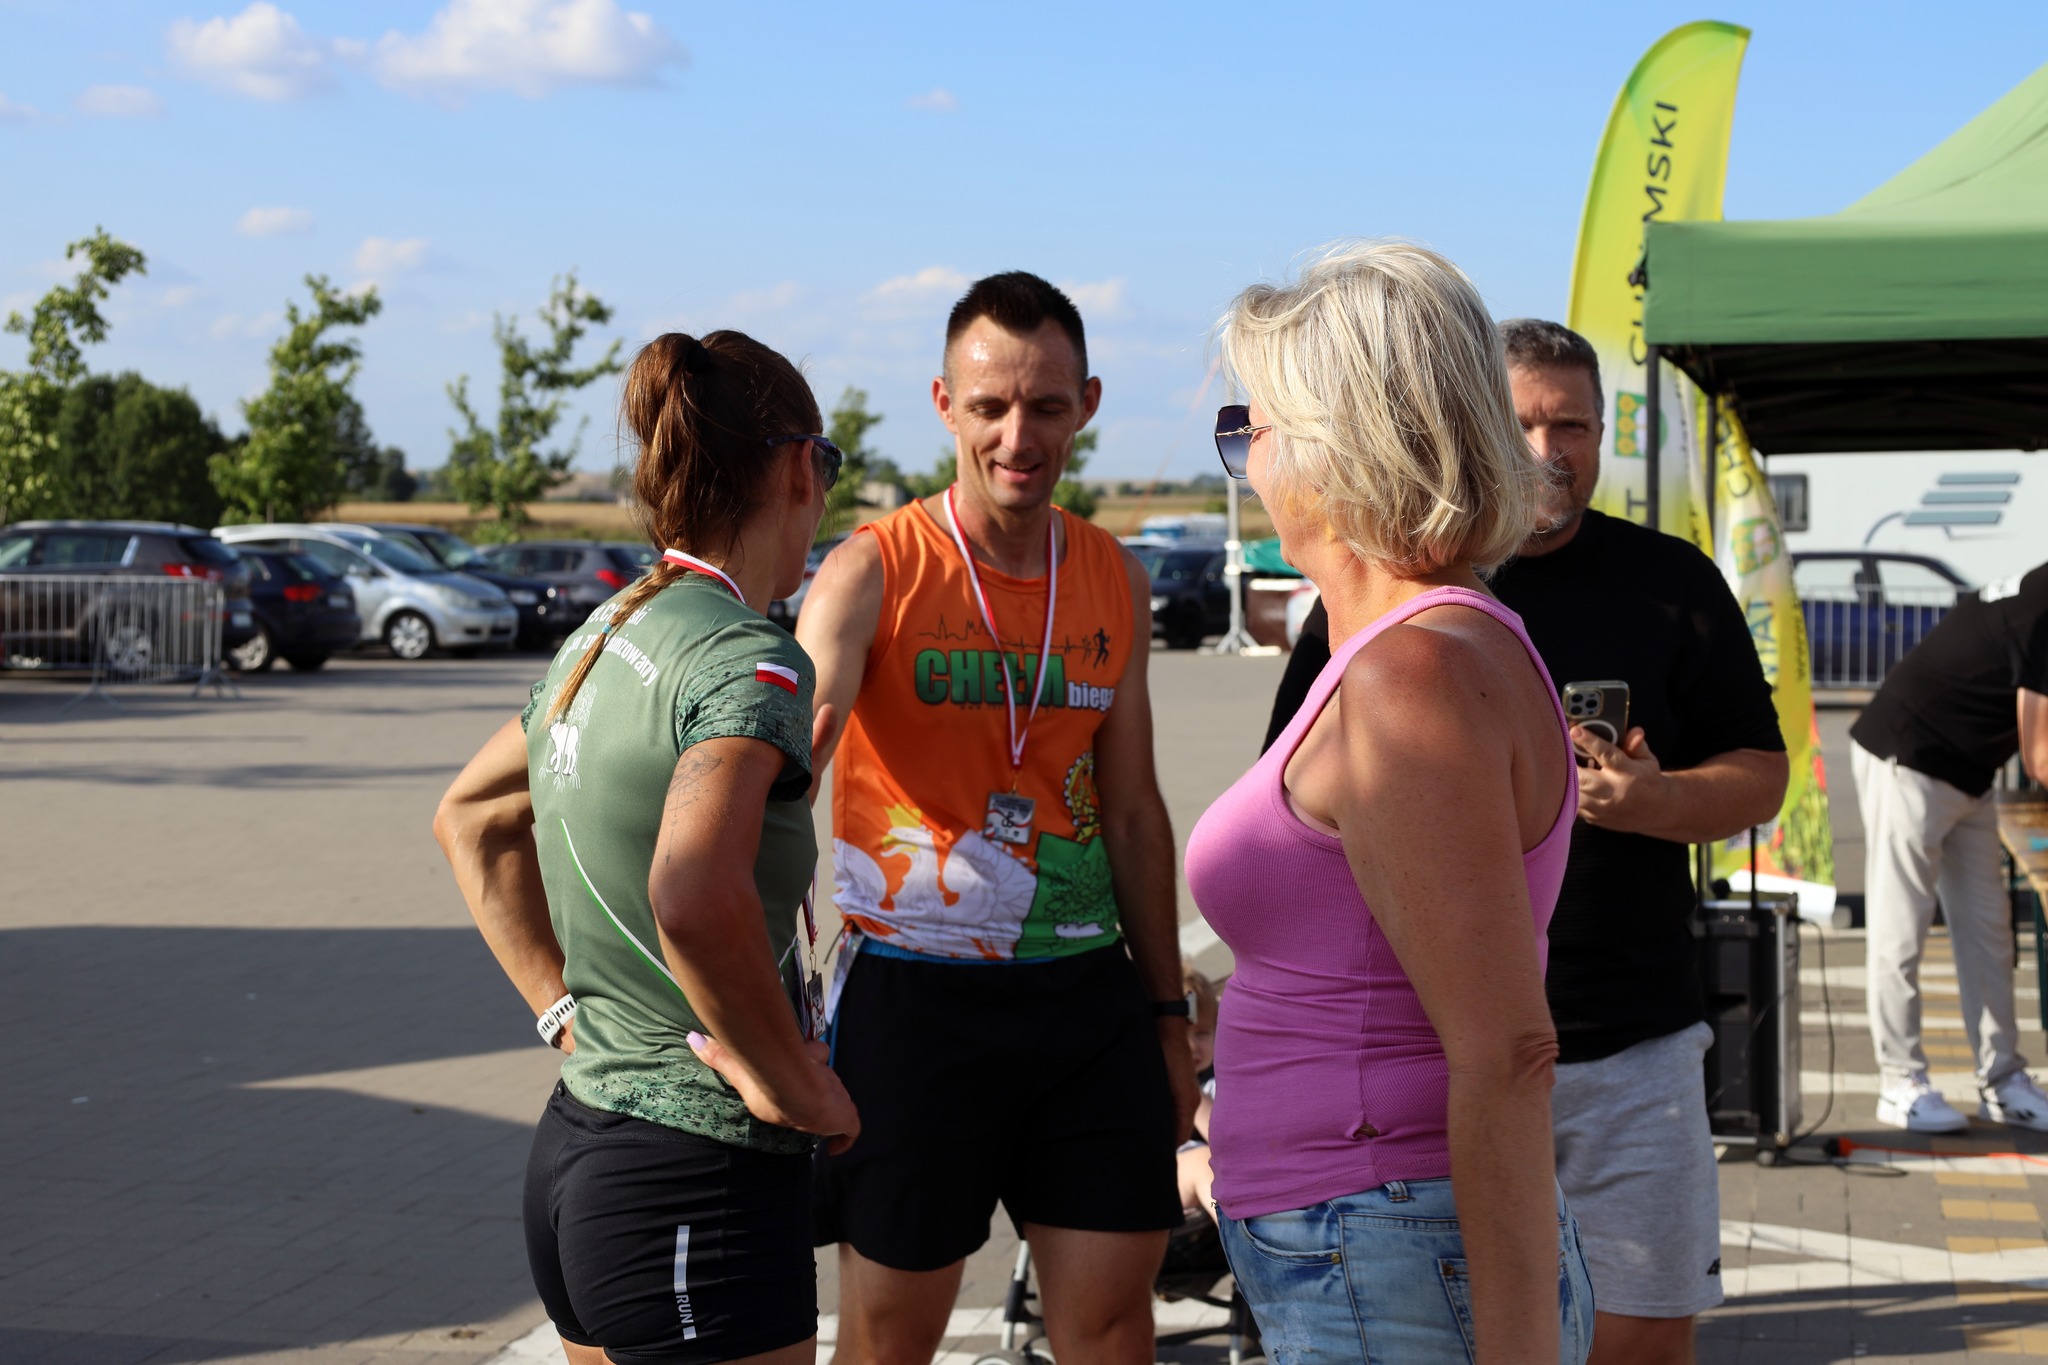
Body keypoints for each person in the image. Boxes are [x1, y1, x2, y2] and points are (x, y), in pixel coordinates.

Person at [1186, 241, 1592, 1365]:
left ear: (1336, 442)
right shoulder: (1408, 647)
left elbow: (1505, 1050)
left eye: (1253, 428)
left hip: (1386, 1248)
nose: (1248, 461)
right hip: (1368, 1240)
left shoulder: (1410, 672)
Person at [434, 330, 859, 1365]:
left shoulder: (607, 628)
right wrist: (797, 1085)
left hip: (578, 1146)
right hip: (697, 1175)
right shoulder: (749, 657)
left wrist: (560, 1010)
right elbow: (692, 892)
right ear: (798, 468)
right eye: (830, 466)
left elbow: (471, 818)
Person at [798, 271, 1196, 1365]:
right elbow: (781, 781)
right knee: (889, 1340)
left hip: (1084, 996)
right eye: (989, 406)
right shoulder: (872, 570)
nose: (1018, 437)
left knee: (1112, 1327)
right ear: (943, 404)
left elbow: (1133, 811)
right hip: (914, 997)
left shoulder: (1113, 577)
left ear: (1087, 404)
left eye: (1047, 407)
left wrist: (1167, 1016)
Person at [1487, 318, 1789, 1365]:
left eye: (1569, 425)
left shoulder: (1670, 581)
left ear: (1601, 433)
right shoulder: (1408, 581)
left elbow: (1760, 773)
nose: (1546, 451)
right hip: (1443, 1045)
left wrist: (1652, 801)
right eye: (1521, 424)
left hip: (1634, 1044)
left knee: (1645, 1333)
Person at [1850, 561, 2048, 1132]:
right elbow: (2040, 756)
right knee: (1901, 928)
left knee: (1989, 932)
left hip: (1969, 772)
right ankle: (1899, 1082)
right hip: (1908, 755)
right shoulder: (2046, 609)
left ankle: (2003, 1081)